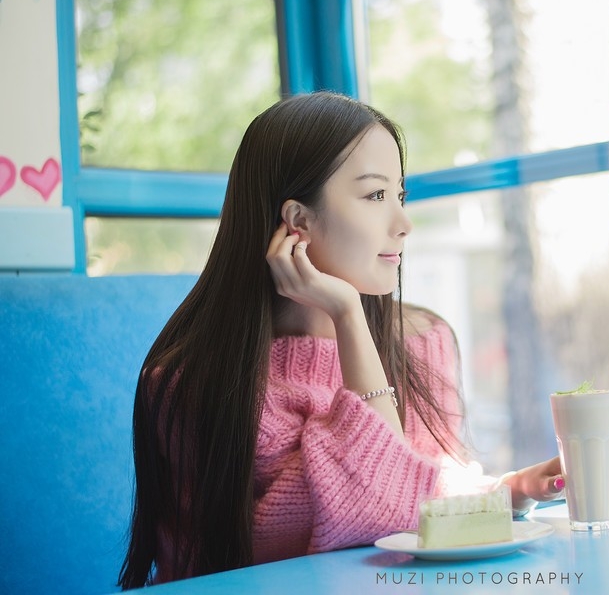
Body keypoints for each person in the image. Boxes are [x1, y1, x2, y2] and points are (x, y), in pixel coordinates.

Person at [118, 91, 563, 589]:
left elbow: (421, 501)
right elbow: (374, 512)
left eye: (400, 195)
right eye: (376, 196)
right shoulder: (191, 384)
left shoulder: (423, 340)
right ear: (298, 221)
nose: (403, 224)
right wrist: (349, 316)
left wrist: (509, 491)